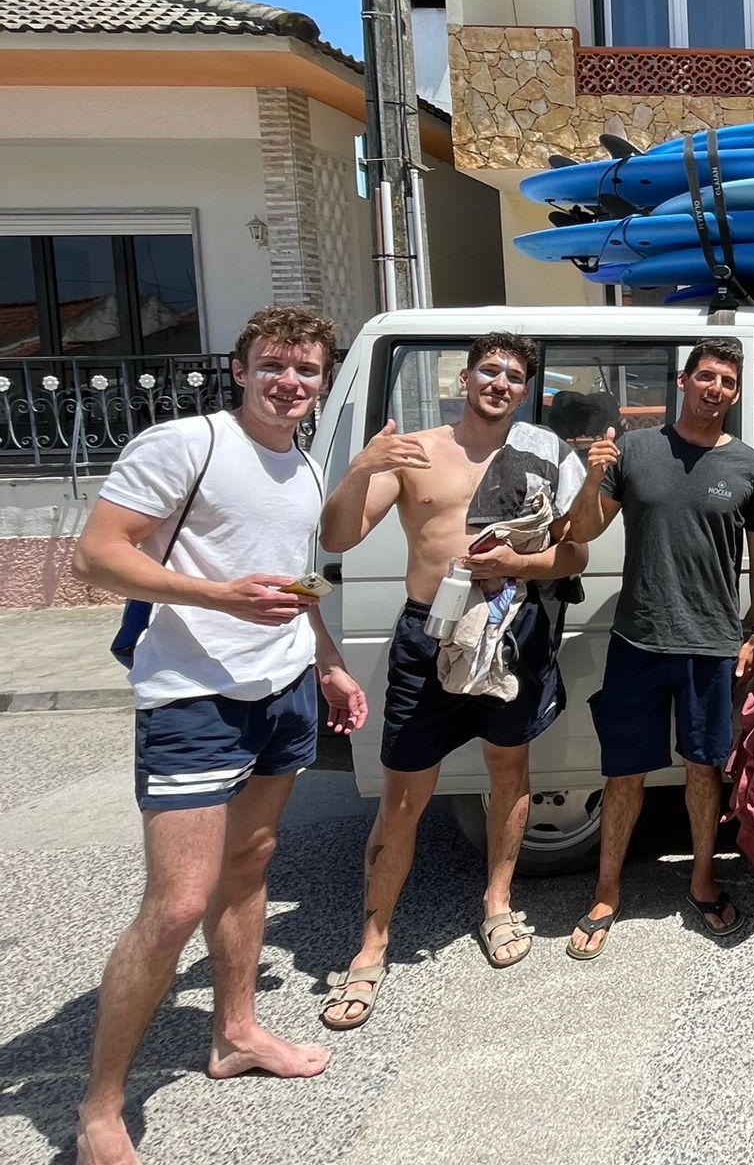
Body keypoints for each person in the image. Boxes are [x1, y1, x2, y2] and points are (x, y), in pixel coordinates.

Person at [71, 306, 368, 1165]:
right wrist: (217, 597)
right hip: (193, 697)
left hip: (281, 690)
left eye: (307, 370)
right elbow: (96, 556)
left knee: (251, 867)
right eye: (275, 364)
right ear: (238, 368)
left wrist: (328, 661)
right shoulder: (185, 444)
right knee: (173, 906)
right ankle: (99, 1109)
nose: (291, 382)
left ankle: (234, 1033)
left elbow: (295, 584)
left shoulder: (305, 465)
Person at [316, 332, 586, 1028]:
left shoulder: (540, 456)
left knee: (510, 775)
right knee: (404, 797)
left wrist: (518, 568)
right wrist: (360, 466)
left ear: (524, 391)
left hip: (512, 627)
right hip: (428, 636)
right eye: (489, 371)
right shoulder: (417, 451)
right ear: (464, 378)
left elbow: (572, 552)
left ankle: (498, 903)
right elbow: (338, 537)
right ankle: (372, 946)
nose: (500, 383)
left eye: (513, 375)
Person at [555, 338, 754, 957]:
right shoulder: (634, 449)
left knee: (705, 769)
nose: (715, 388)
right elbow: (584, 530)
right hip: (638, 638)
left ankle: (703, 881)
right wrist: (595, 473)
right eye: (706, 376)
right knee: (624, 772)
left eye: (727, 382)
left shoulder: (750, 467)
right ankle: (606, 892)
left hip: (711, 643)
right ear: (683, 381)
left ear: (736, 393)